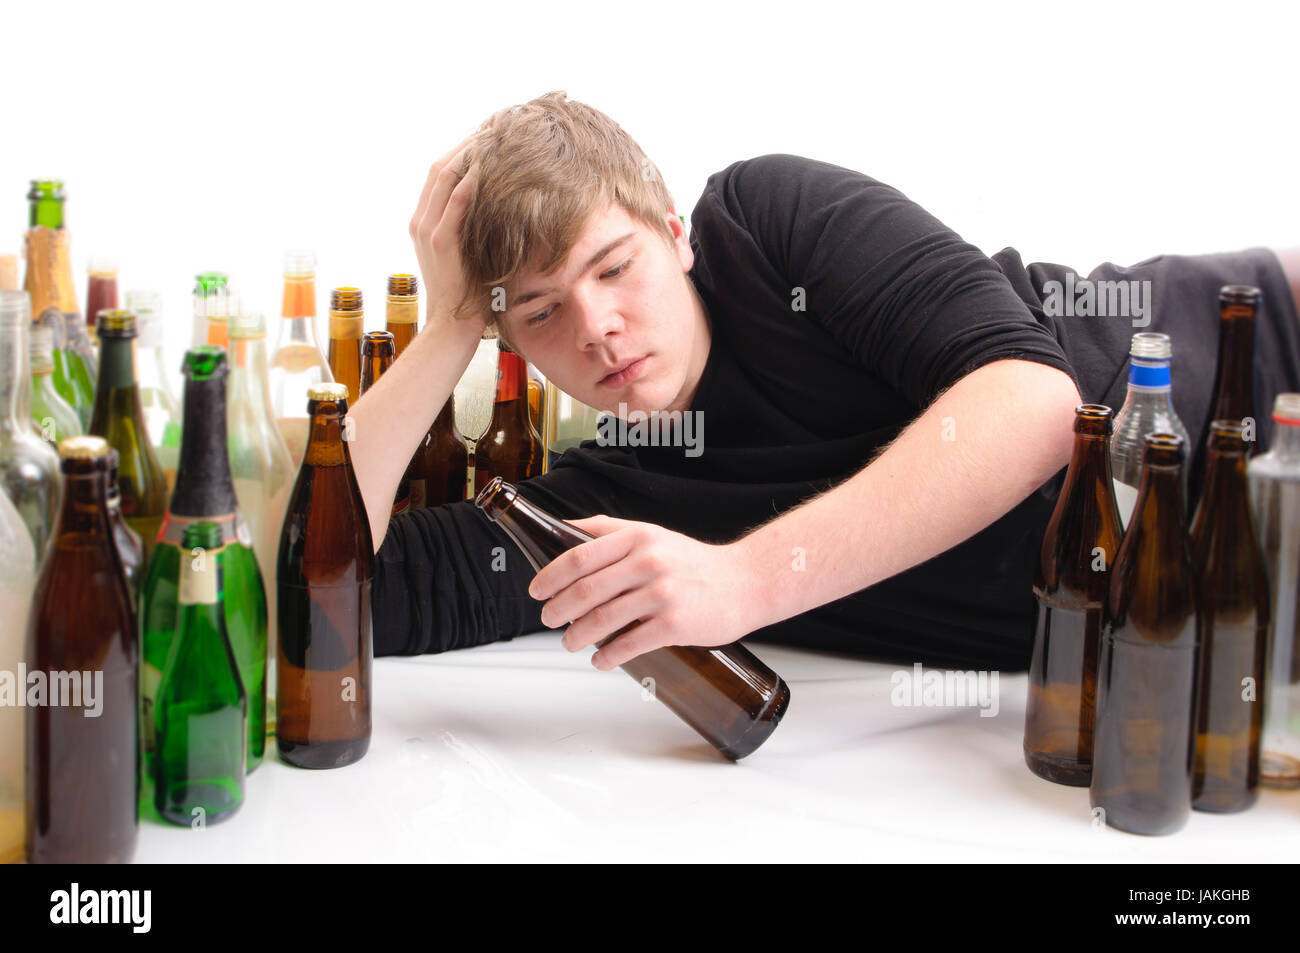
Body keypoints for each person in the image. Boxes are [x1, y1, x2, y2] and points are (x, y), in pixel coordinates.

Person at [349, 90, 1300, 673]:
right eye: (542, 311)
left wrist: (741, 579)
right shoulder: (614, 505)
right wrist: (449, 326)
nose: (596, 326)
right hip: (1240, 592)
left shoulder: (764, 223)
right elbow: (337, 588)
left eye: (612, 267)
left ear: (673, 234)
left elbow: (1034, 402)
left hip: (1248, 358)